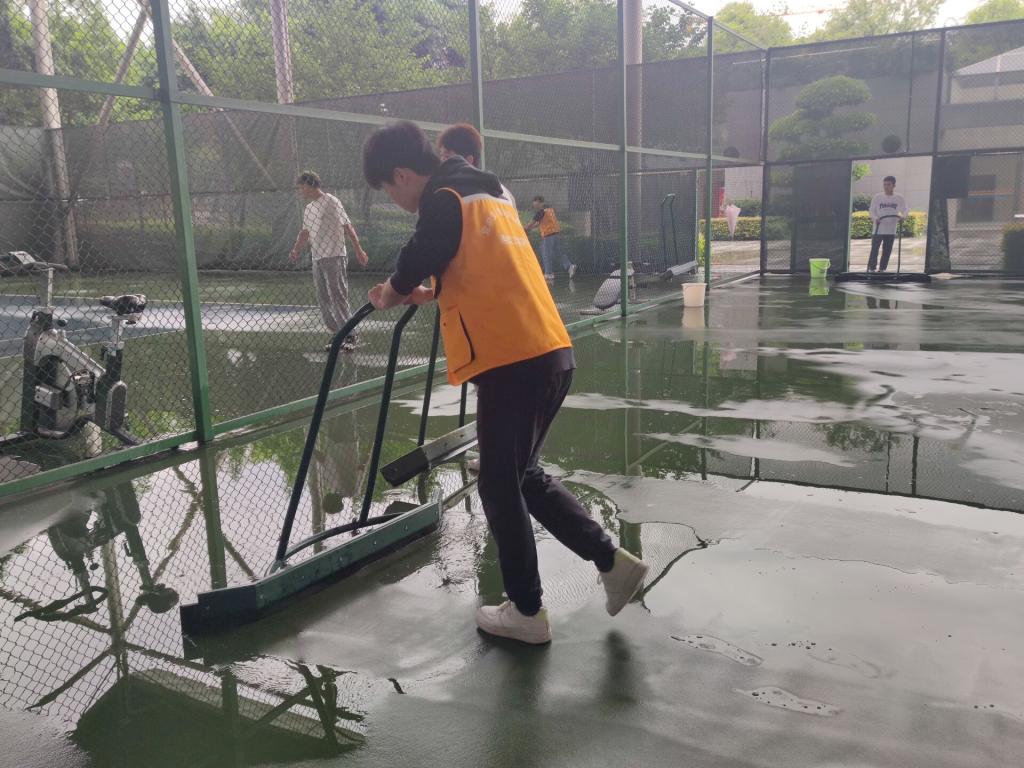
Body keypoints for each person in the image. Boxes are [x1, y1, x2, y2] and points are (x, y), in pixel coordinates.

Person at [362, 121, 649, 645]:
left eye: (387, 189)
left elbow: (418, 254)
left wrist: (391, 293)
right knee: (522, 475)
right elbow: (481, 264)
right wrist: (430, 292)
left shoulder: (444, 198)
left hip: (512, 360)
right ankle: (612, 562)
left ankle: (527, 610)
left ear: (401, 174)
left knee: (498, 483)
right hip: (549, 351)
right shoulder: (491, 192)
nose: (394, 200)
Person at [289, 171, 369, 351]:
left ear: (308, 185)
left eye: (301, 187)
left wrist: (358, 249)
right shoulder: (309, 209)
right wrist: (296, 249)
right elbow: (305, 232)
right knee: (323, 297)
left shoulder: (332, 201)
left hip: (335, 255)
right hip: (317, 257)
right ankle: (338, 333)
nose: (300, 191)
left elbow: (347, 226)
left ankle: (351, 334)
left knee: (338, 295)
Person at [436, 122, 517, 209]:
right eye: (441, 156)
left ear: (469, 160)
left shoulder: (453, 193)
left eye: (446, 156)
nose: (442, 162)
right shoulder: (505, 193)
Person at [525, 195, 575, 280]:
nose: (534, 205)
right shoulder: (549, 210)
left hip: (548, 236)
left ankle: (549, 273)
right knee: (558, 253)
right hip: (556, 235)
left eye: (536, 203)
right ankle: (569, 266)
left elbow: (531, 223)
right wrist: (530, 228)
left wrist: (524, 229)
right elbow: (539, 223)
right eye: (534, 203)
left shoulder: (540, 212)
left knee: (546, 254)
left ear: (540, 203)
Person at [867, 175, 908, 272]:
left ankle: (882, 269)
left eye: (888, 184)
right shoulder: (877, 197)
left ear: (894, 185)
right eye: (884, 184)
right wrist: (875, 218)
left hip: (891, 229)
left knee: (887, 250)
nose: (886, 187)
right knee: (874, 249)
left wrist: (903, 216)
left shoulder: (899, 197)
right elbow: (871, 210)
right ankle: (871, 268)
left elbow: (905, 209)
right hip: (878, 228)